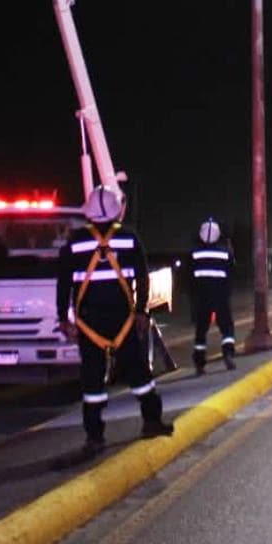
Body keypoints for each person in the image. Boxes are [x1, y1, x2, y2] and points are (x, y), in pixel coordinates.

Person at [66, 185, 171, 453]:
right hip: (122, 320)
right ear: (117, 211)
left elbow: (62, 283)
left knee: (92, 383)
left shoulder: (75, 242)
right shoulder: (129, 238)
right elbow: (143, 277)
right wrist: (141, 312)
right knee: (139, 375)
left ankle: (94, 437)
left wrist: (62, 317)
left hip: (89, 322)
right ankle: (151, 421)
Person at [190, 217, 237, 375]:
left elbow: (188, 277)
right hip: (221, 296)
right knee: (227, 328)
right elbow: (232, 272)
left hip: (201, 297)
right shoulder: (225, 253)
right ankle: (228, 354)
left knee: (201, 330)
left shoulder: (195, 254)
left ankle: (199, 363)